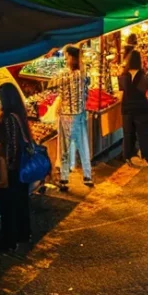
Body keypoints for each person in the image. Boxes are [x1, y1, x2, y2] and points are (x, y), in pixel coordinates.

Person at [0, 84, 34, 250]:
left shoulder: (6, 119)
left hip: (11, 167)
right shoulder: (20, 114)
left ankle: (8, 241)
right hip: (21, 165)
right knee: (21, 201)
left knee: (8, 205)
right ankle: (24, 234)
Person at [49, 46, 93, 191]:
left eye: (66, 57)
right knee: (83, 143)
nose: (65, 60)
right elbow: (87, 89)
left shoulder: (65, 75)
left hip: (67, 115)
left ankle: (64, 177)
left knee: (65, 147)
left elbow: (50, 84)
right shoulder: (83, 73)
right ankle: (87, 175)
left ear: (72, 58)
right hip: (80, 113)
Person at [119, 50, 148, 167]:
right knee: (142, 133)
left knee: (128, 133)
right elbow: (145, 90)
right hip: (140, 108)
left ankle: (128, 156)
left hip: (127, 108)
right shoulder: (144, 76)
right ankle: (147, 157)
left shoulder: (123, 76)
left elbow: (121, 94)